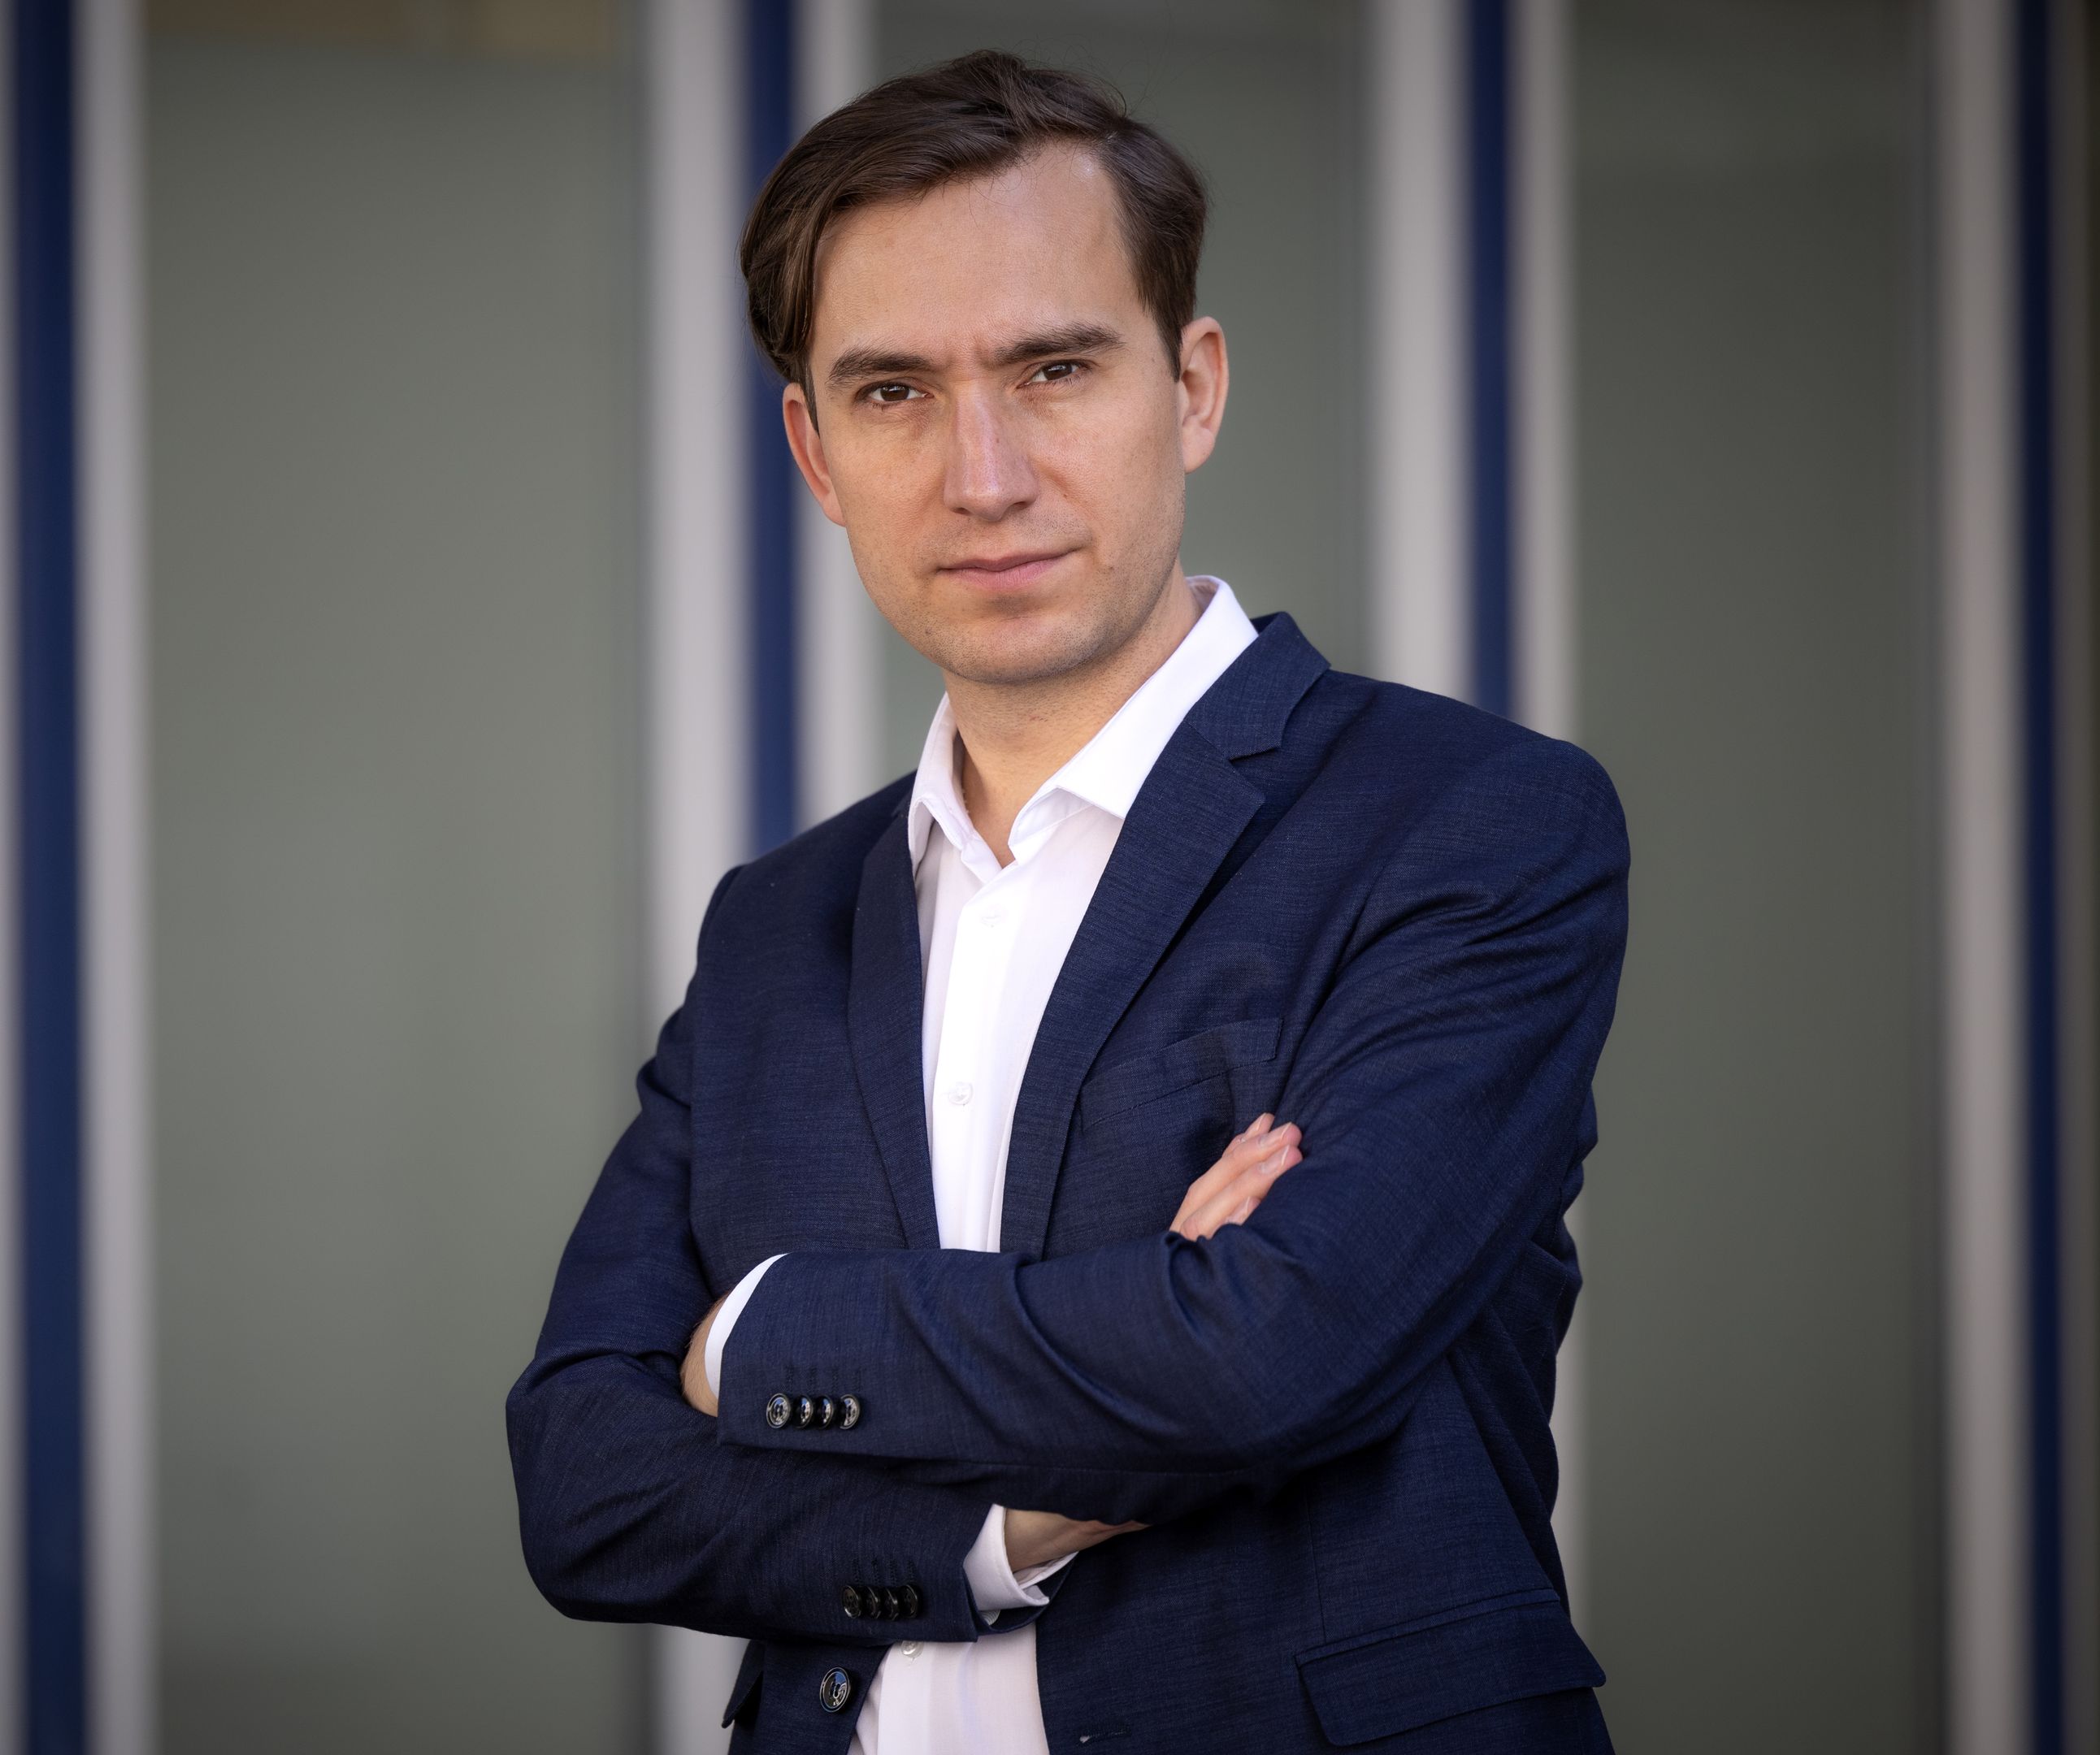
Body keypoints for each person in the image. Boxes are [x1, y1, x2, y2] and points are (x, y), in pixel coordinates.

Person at [507, 50, 1626, 1755]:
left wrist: (758, 1335)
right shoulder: (778, 926)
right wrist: (999, 1529)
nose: (984, 474)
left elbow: (1272, 1357)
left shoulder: (1464, 825)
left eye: (1053, 368)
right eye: (894, 391)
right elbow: (585, 1482)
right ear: (814, 451)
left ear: (1193, 388)